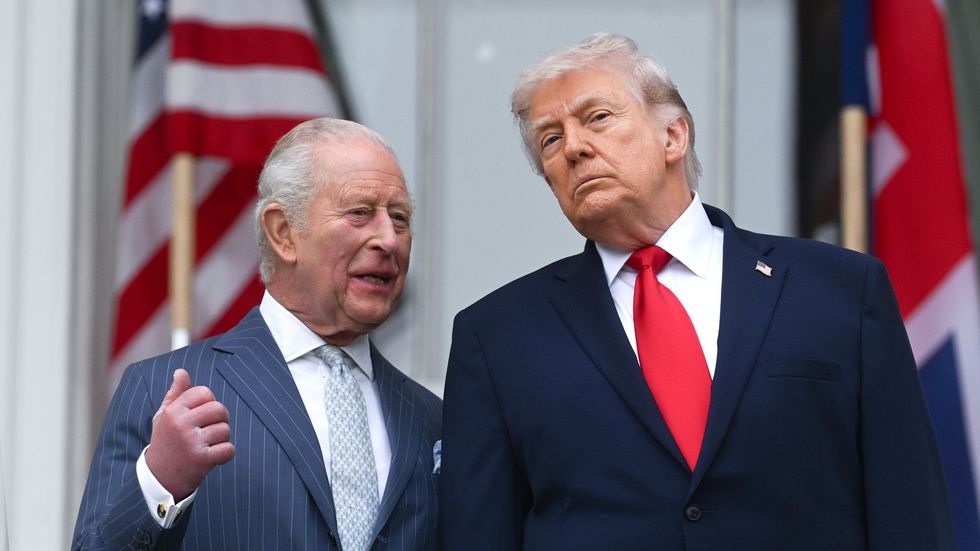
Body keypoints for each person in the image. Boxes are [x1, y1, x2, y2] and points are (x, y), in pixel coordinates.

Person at [440, 33, 954, 550]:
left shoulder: (839, 290)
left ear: (673, 137)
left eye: (597, 118)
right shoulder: (497, 336)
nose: (573, 147)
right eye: (550, 140)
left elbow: (908, 509)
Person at [73, 118, 442, 550]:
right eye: (360, 213)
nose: (388, 239)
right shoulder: (162, 389)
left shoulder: (431, 418)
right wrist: (161, 483)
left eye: (399, 218)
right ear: (284, 233)